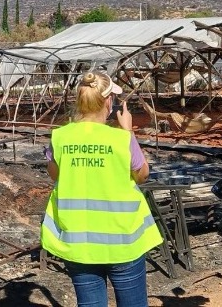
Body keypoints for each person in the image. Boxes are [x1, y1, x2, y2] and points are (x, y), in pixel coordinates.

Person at [40, 71, 163, 307]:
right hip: (123, 242)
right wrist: (128, 130)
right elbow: (142, 175)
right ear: (108, 101)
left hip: (79, 243)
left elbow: (55, 174)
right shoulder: (120, 139)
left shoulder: (61, 137)